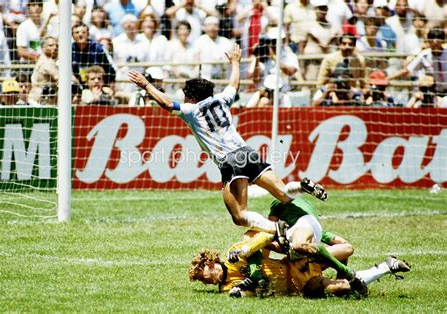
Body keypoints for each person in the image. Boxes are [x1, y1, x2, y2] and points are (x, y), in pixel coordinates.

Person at [128, 43, 328, 238]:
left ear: (190, 97)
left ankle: (278, 230)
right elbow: (233, 84)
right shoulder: (223, 100)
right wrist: (235, 62)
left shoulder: (192, 110)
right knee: (284, 194)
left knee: (239, 216)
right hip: (247, 151)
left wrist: (146, 85)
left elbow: (167, 102)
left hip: (230, 161)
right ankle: (302, 186)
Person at [188, 237, 411, 298]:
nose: (204, 280)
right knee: (341, 287)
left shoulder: (235, 254)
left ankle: (353, 278)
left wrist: (247, 250)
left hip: (294, 264)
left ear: (209, 263)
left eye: (202, 275)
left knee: (346, 250)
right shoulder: (226, 287)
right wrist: (242, 292)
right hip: (298, 285)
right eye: (201, 280)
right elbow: (250, 291)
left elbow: (265, 236)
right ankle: (385, 267)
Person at [388, 28, 446, 97]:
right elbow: (407, 70)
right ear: (428, 41)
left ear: (442, 41)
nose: (435, 42)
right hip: (434, 93)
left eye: (438, 40)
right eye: (432, 40)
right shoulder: (425, 55)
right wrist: (387, 78)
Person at [72, 22, 116, 87]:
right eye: (77, 32)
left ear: (88, 34)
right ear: (72, 35)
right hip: (78, 86)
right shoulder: (70, 50)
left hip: (98, 84)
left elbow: (109, 69)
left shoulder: (97, 48)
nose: (80, 35)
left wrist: (109, 87)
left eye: (83, 32)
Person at [29, 36, 59, 104]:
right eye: (50, 45)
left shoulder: (45, 60)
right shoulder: (46, 61)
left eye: (57, 45)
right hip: (40, 101)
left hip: (40, 99)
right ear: (43, 48)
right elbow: (59, 78)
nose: (55, 48)